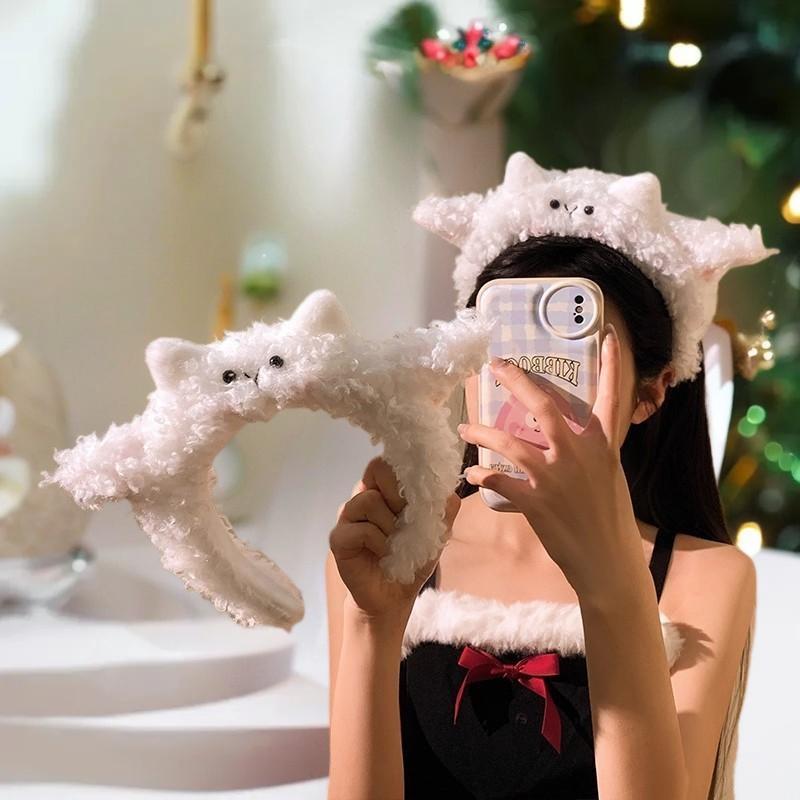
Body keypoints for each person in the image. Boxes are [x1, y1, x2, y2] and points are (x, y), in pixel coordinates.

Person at [326, 154, 774, 800]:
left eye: (567, 356)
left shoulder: (707, 579)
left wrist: (613, 584)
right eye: (507, 348)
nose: (531, 389)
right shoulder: (391, 542)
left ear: (651, 393)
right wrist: (374, 623)